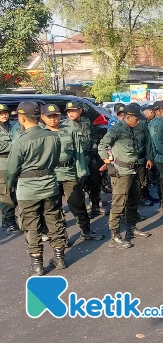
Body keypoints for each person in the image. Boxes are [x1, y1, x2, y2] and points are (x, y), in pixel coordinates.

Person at [7, 102, 64, 276]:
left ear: (22, 118)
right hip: (50, 185)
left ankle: (37, 265)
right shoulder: (53, 136)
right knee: (55, 221)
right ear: (40, 116)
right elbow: (55, 161)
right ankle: (60, 258)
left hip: (27, 190)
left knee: (31, 226)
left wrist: (12, 185)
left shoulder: (20, 141)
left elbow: (11, 170)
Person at [42, 104, 104, 241]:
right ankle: (60, 237)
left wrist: (82, 172)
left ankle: (86, 230)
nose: (53, 119)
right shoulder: (41, 133)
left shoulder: (69, 130)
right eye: (49, 116)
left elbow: (78, 153)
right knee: (53, 208)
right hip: (50, 175)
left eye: (56, 116)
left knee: (78, 203)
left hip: (69, 172)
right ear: (42, 117)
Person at [98, 103, 152, 249]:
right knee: (118, 204)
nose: (139, 121)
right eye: (136, 118)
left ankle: (131, 228)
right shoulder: (117, 129)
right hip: (121, 172)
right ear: (128, 117)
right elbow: (102, 146)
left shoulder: (133, 128)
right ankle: (115, 236)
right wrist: (108, 164)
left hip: (134, 170)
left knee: (134, 200)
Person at [64, 101, 106, 218]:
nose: (71, 113)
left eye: (74, 111)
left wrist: (94, 149)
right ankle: (81, 212)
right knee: (79, 186)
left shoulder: (86, 122)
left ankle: (95, 206)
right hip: (78, 159)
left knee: (95, 182)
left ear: (80, 110)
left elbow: (93, 138)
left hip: (91, 157)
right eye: (68, 111)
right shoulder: (65, 127)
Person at [0, 104, 18, 234]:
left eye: (5, 113)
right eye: (1, 113)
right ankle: (8, 222)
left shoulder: (13, 127)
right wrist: (13, 145)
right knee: (6, 195)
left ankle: (12, 219)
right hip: (2, 165)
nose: (4, 115)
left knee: (15, 193)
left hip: (15, 163)